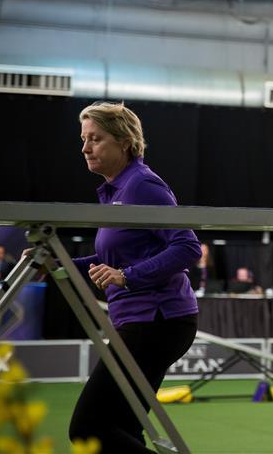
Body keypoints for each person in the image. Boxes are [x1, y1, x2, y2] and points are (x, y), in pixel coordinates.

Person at [67, 102, 200, 453]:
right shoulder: (116, 192)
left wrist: (127, 276)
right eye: (83, 139)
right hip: (142, 321)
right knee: (122, 428)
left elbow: (187, 247)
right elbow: (111, 259)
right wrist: (56, 261)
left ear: (124, 141)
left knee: (88, 429)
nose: (85, 148)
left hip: (157, 321)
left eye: (95, 139)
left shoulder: (142, 185)